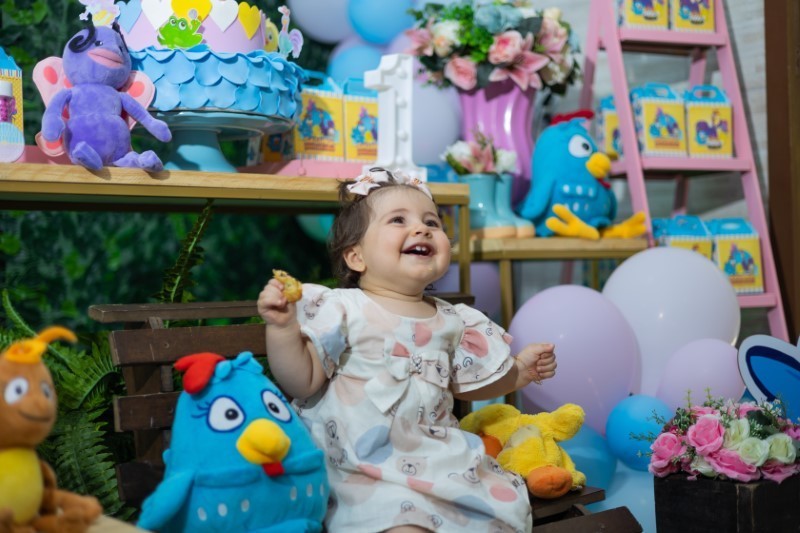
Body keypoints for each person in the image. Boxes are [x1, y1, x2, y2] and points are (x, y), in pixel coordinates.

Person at [257, 168, 557, 533]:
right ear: (356, 257)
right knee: (399, 524)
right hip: (360, 467)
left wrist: (519, 372)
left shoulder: (453, 321)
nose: (421, 229)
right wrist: (283, 328)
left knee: (485, 514)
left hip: (436, 458)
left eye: (431, 222)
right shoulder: (343, 308)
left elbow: (468, 384)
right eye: (398, 220)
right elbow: (301, 381)